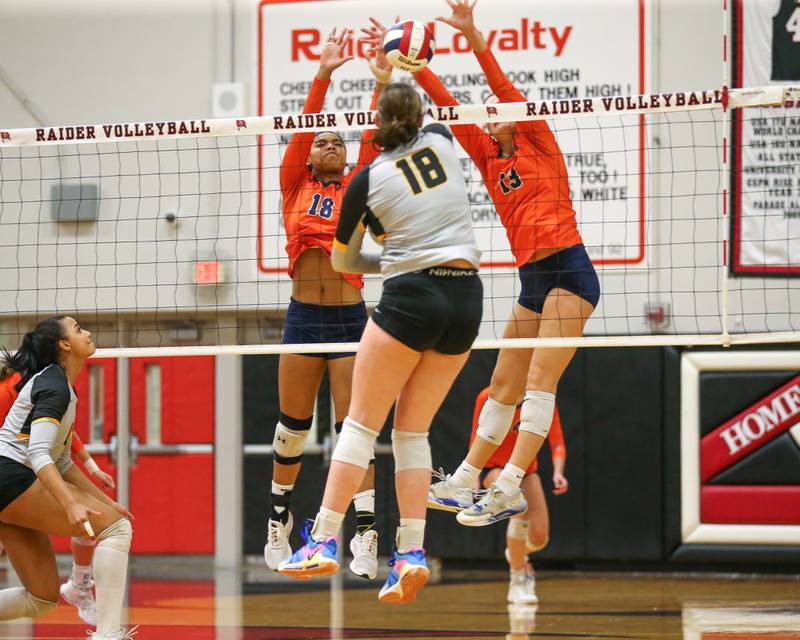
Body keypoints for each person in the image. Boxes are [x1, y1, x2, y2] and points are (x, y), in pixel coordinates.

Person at [364, 0, 598, 526]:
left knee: (540, 381)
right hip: (533, 278)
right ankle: (469, 477)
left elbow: (500, 82)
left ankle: (511, 484)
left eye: (499, 108)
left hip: (570, 270)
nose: (492, 113)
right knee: (501, 385)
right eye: (488, 111)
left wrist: (471, 35)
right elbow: (446, 103)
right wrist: (409, 64)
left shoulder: (538, 140)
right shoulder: (490, 159)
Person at [278, 82, 483, 605]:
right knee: (413, 432)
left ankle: (323, 538)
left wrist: (396, 263)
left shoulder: (368, 178)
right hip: (466, 300)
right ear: (419, 119)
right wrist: (400, 68)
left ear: (376, 127)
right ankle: (410, 553)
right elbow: (434, 115)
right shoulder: (440, 139)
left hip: (412, 297)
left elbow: (347, 263)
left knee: (360, 425)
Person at [264, 27, 393, 580]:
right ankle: (278, 519)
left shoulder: (358, 185)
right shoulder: (296, 184)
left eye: (336, 141)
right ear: (309, 155)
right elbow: (301, 127)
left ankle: (365, 535)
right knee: (291, 429)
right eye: (321, 141)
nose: (330, 143)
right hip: (302, 318)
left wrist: (380, 80)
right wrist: (323, 73)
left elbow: (372, 134)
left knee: (354, 430)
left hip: (347, 318)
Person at [0, 317, 135, 640]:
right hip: (9, 476)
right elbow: (38, 453)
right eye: (77, 329)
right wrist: (70, 502)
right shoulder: (53, 385)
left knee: (42, 598)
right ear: (63, 345)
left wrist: (107, 502)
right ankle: (108, 634)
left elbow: (61, 460)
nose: (87, 332)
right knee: (117, 529)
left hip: (11, 481)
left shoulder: (61, 385)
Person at [0, 365, 116, 626]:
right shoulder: (28, 385)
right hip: (14, 470)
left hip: (28, 468)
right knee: (97, 519)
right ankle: (82, 587)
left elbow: (65, 437)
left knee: (92, 517)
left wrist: (92, 468)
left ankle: (79, 582)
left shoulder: (39, 382)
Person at [468, 387, 568, 604]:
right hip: (493, 469)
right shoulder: (487, 396)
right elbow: (476, 435)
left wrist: (558, 471)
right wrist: (473, 476)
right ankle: (517, 581)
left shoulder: (542, 398)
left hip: (526, 471)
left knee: (540, 537)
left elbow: (557, 441)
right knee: (517, 502)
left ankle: (515, 551)